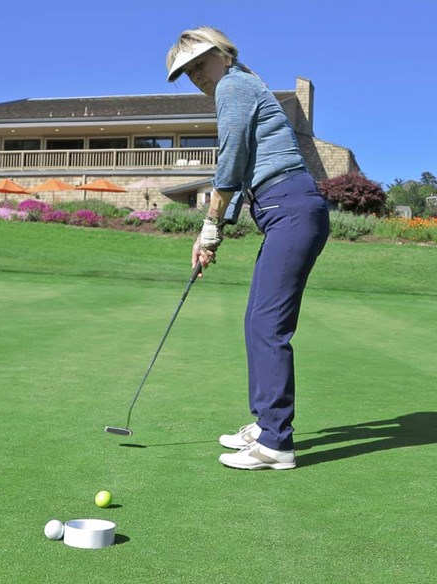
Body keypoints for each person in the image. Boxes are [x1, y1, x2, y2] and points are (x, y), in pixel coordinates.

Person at [166, 27, 330, 470]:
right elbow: (242, 173)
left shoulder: (233, 85)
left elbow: (231, 159)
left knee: (267, 325)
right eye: (187, 72)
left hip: (291, 209)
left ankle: (277, 443)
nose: (196, 76)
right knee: (258, 320)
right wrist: (216, 231)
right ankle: (264, 424)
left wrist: (210, 224)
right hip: (284, 210)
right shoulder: (243, 84)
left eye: (200, 64)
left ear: (222, 53)